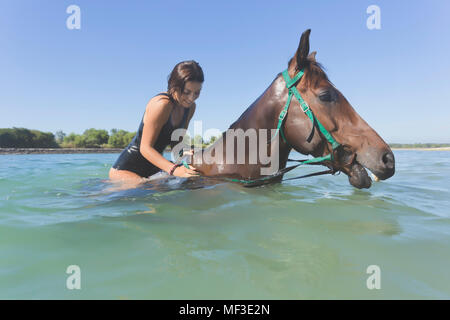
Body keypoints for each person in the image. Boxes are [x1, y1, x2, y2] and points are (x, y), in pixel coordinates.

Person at [109, 60, 203, 184]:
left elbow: (176, 144)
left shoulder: (190, 108)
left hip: (155, 168)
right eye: (186, 92)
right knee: (145, 189)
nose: (191, 98)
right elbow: (145, 148)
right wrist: (174, 169)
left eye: (197, 92)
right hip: (126, 170)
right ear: (174, 86)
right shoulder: (161, 104)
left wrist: (186, 152)